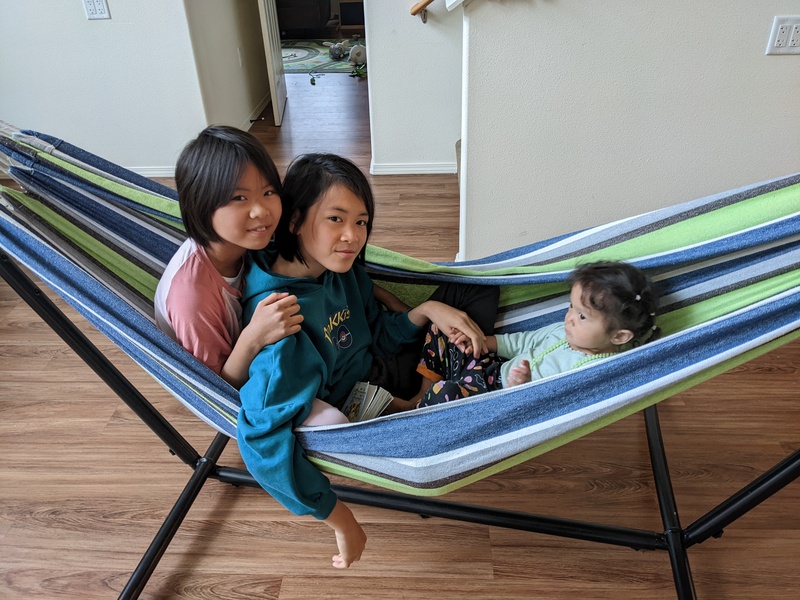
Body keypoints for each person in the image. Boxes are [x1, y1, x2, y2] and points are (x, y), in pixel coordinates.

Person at [237, 153, 493, 570]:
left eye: (361, 222)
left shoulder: (337, 270)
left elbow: (376, 330)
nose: (352, 237)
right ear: (296, 220)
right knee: (461, 387)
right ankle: (459, 382)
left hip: (380, 359)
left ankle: (458, 370)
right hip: (366, 398)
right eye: (336, 219)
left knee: (476, 294)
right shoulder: (283, 327)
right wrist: (340, 518)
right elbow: (260, 440)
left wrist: (427, 310)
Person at [153, 126, 346, 426]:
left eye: (269, 192)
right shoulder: (191, 295)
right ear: (201, 205)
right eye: (239, 198)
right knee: (333, 423)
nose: (261, 211)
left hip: (277, 354)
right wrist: (254, 337)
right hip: (244, 379)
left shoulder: (248, 241)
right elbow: (217, 389)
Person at [411, 261, 660, 408]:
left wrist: (523, 387)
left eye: (582, 316)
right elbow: (522, 341)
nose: (570, 318)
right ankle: (421, 394)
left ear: (619, 337)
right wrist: (480, 342)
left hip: (495, 399)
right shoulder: (564, 332)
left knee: (446, 393)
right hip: (488, 369)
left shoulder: (596, 371)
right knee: (443, 330)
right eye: (571, 306)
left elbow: (552, 407)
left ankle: (421, 407)